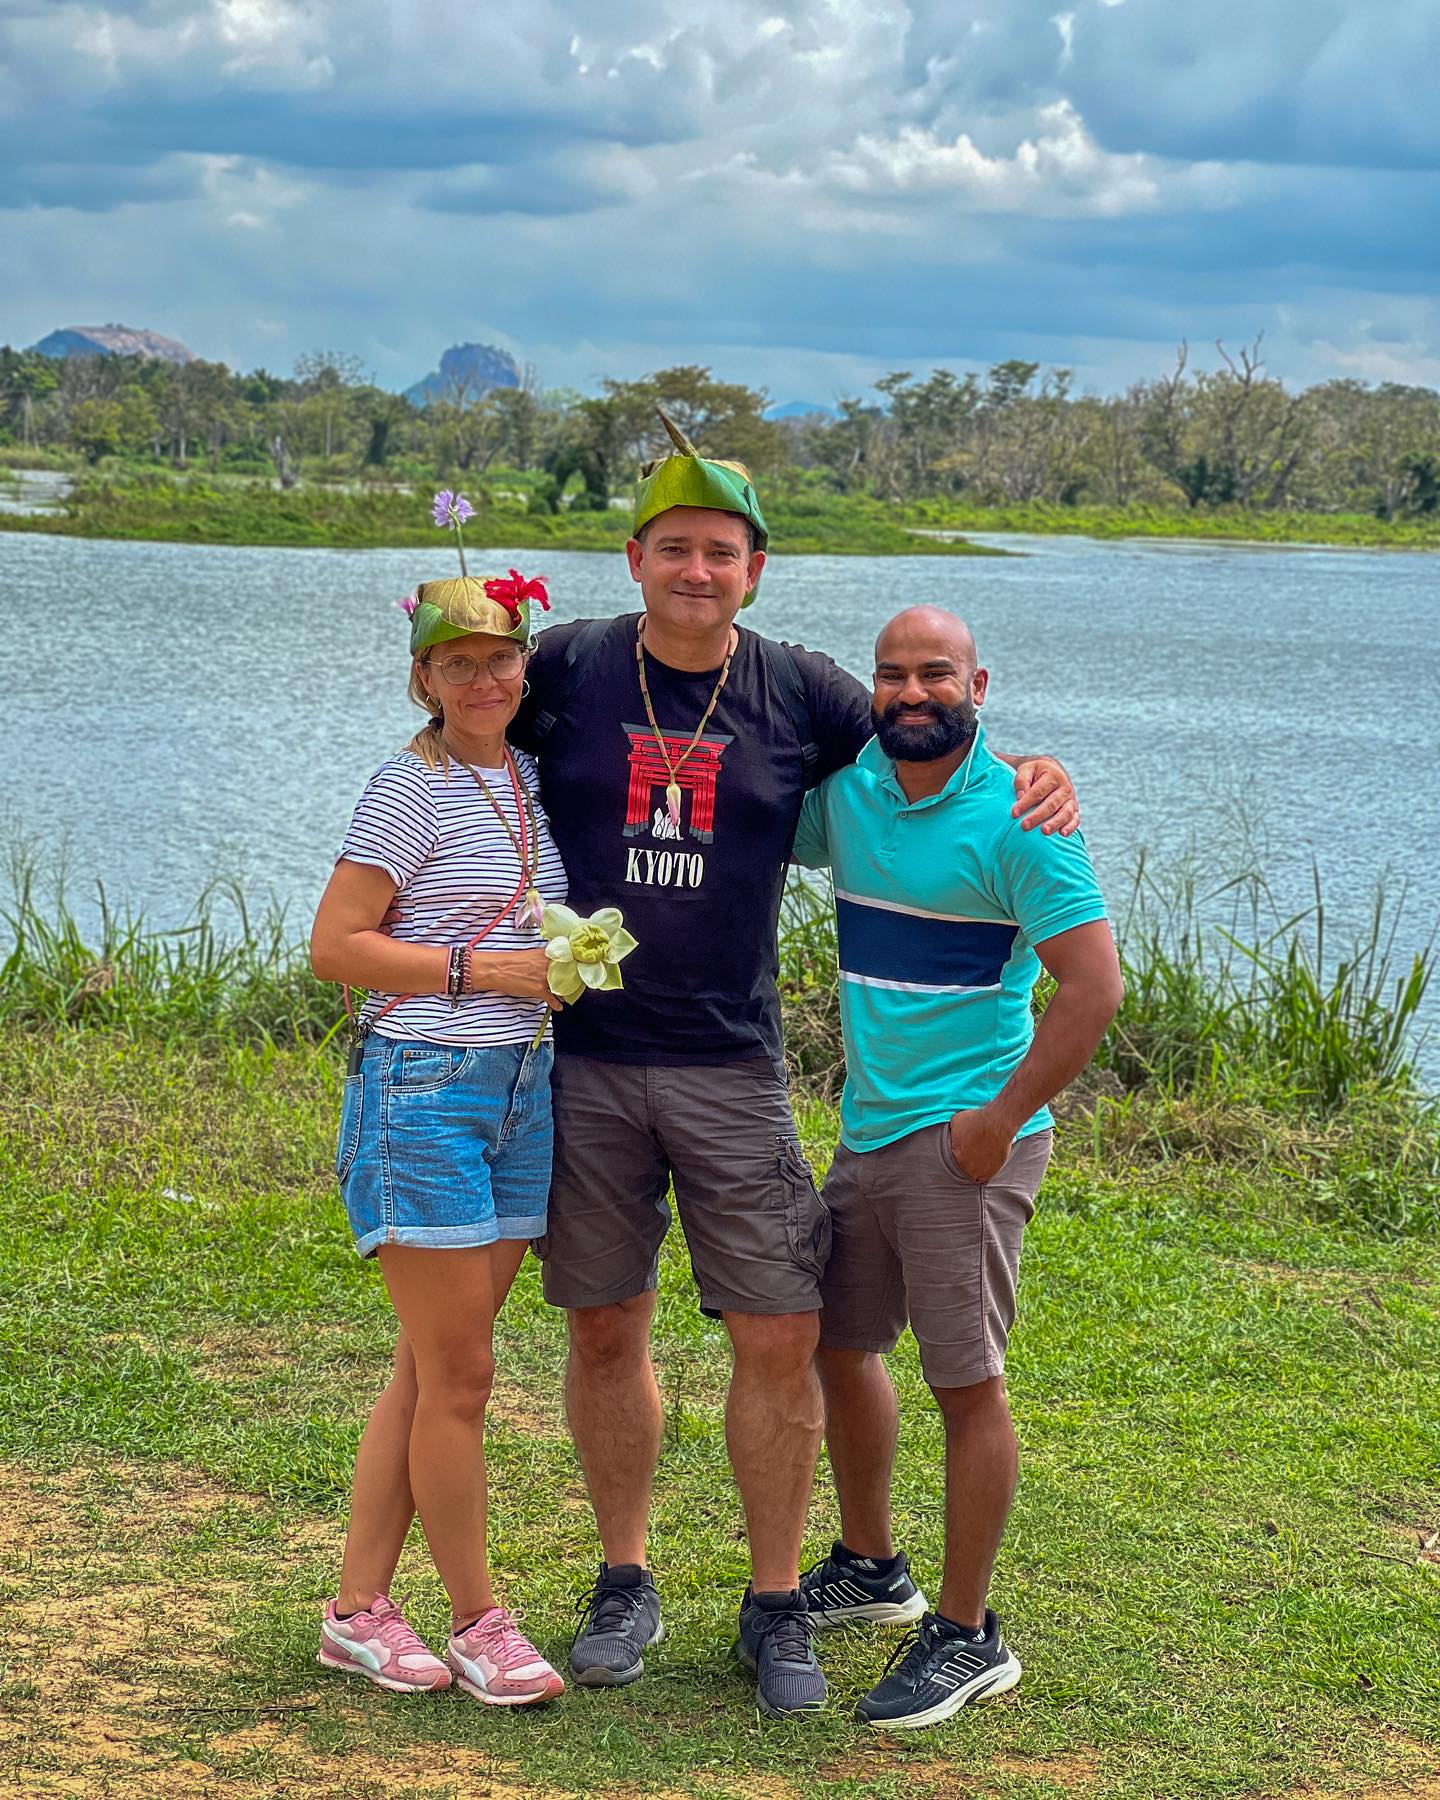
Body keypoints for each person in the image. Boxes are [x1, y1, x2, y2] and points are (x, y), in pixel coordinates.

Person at [507, 416, 1082, 1717]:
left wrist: (1041, 769)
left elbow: (932, 743)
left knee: (783, 1329)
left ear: (755, 569)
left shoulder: (805, 691)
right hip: (592, 1062)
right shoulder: (568, 668)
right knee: (605, 1325)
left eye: (721, 552)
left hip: (731, 1069)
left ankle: (778, 1604)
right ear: (636, 554)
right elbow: (462, 712)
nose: (696, 571)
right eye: (674, 548)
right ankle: (623, 1578)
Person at [790, 605, 1124, 1730]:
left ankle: (970, 1636)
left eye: (936, 673)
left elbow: (1093, 991)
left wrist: (999, 1119)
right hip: (870, 1130)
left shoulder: (1023, 818)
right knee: (843, 1348)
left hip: (965, 1142)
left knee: (964, 1381)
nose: (911, 693)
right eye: (892, 675)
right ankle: (874, 1568)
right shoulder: (853, 798)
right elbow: (738, 808)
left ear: (980, 683)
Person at [309, 562, 569, 1706]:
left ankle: (359, 1610)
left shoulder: (529, 777)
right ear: (421, 676)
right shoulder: (401, 791)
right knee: (462, 1373)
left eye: (498, 659)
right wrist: (483, 967)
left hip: (521, 1089)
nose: (481, 679)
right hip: (424, 1085)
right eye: (454, 663)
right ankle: (479, 1621)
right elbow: (338, 947)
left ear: (526, 666)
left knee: (428, 1370)